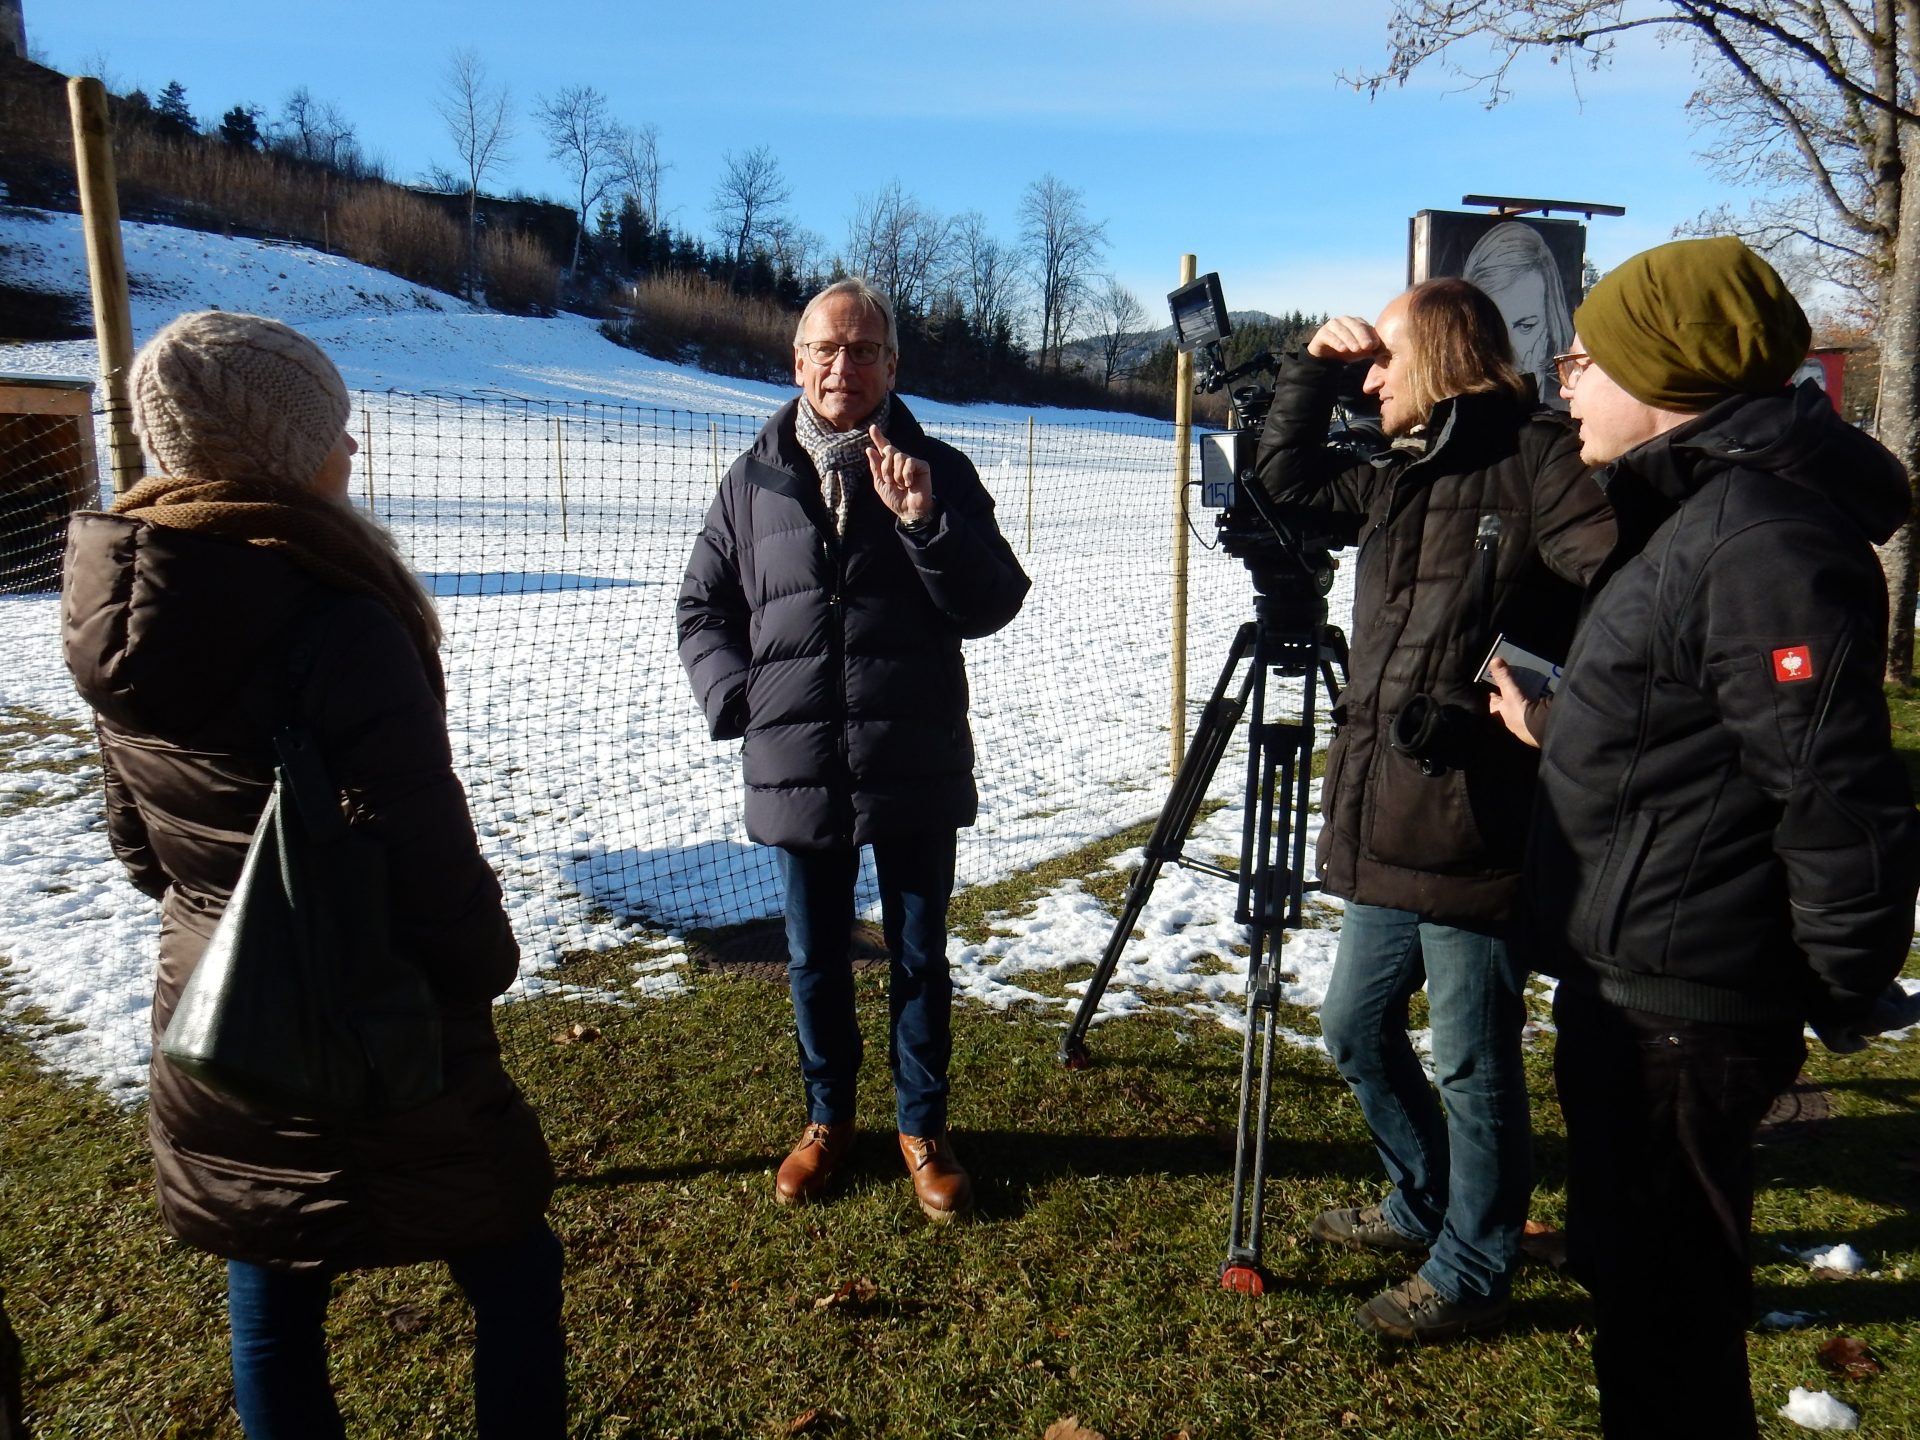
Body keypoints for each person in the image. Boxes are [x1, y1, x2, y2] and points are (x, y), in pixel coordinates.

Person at [61, 312, 564, 1438]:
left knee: (274, 1286)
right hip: (376, 1012)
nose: (353, 452)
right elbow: (425, 861)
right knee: (514, 1266)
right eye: (335, 430)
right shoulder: (339, 624)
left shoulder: (123, 604)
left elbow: (140, 847)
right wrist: (483, 962)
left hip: (222, 1009)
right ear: (279, 452)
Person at [1486, 236, 1920, 1438]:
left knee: (1669, 1326)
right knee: (1640, 1296)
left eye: (1587, 359)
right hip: (1640, 979)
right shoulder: (1699, 514)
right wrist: (1561, 721)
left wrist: (1834, 982)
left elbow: (1832, 788)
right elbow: (1691, 719)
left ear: (1671, 372)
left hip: (1687, 1005)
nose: (1564, 381)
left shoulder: (1761, 540)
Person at [1253, 277, 1613, 1341]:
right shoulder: (1404, 473)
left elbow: (1626, 598)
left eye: (1381, 361)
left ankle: (1474, 1264)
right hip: (1384, 811)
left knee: (1470, 1059)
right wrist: (1307, 373)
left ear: (1445, 354)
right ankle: (1421, 1203)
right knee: (1354, 1030)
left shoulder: (1539, 458)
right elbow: (1285, 479)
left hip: (1478, 820)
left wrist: (1528, 701)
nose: (1371, 379)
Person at [677, 278, 1029, 1222]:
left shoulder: (939, 468)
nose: (845, 366)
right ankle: (827, 1119)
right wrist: (738, 697)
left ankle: (923, 1128)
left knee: (919, 955)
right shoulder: (752, 478)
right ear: (796, 362)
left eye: (866, 350)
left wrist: (925, 526)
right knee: (814, 956)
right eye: (827, 350)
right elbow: (701, 607)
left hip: (909, 754)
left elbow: (993, 601)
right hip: (798, 763)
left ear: (893, 365)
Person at [1462, 221, 1576, 411]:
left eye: (1526, 326)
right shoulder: (1456, 410)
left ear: (1550, 320)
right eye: (1492, 328)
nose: (1508, 349)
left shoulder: (1571, 407)